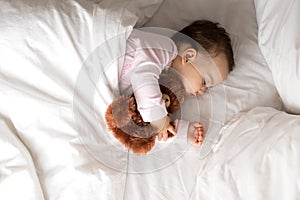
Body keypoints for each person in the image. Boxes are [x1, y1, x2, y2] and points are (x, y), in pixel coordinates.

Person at [118, 20, 235, 146]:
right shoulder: (164, 48)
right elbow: (143, 76)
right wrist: (158, 118)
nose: (202, 90)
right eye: (204, 82)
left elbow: (148, 123)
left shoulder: (164, 86)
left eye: (207, 88)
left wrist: (183, 131)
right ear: (188, 56)